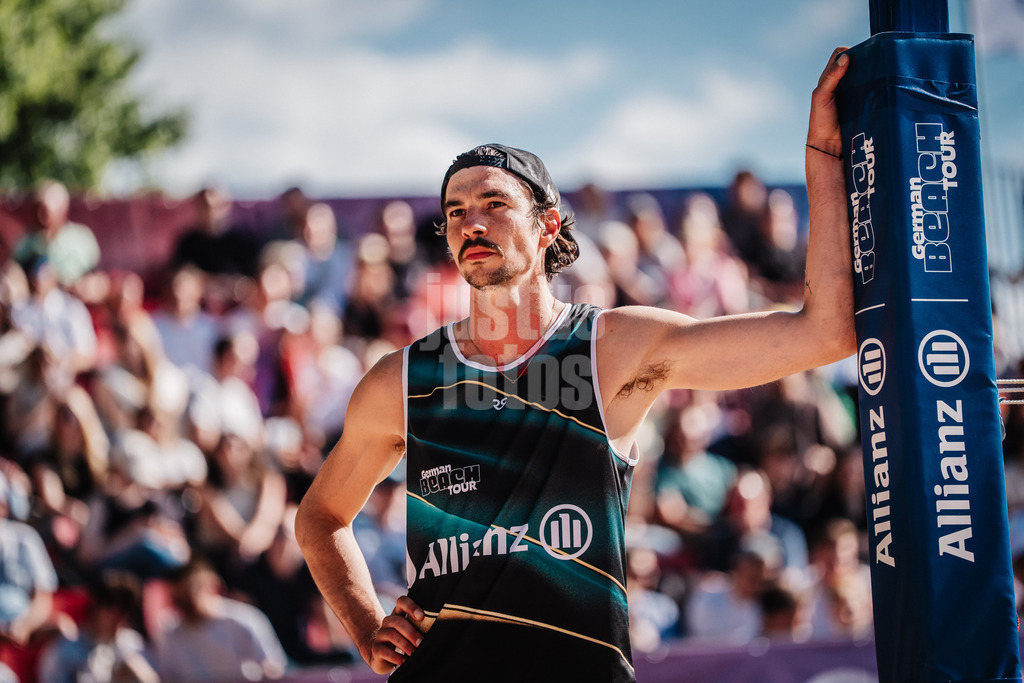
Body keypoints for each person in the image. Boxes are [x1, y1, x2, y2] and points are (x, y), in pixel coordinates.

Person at [295, 48, 854, 682]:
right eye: (455, 212)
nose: (470, 222)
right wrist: (368, 627)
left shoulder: (612, 349)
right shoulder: (402, 381)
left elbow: (823, 334)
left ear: (547, 225)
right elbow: (320, 516)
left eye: (493, 204)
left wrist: (825, 156)